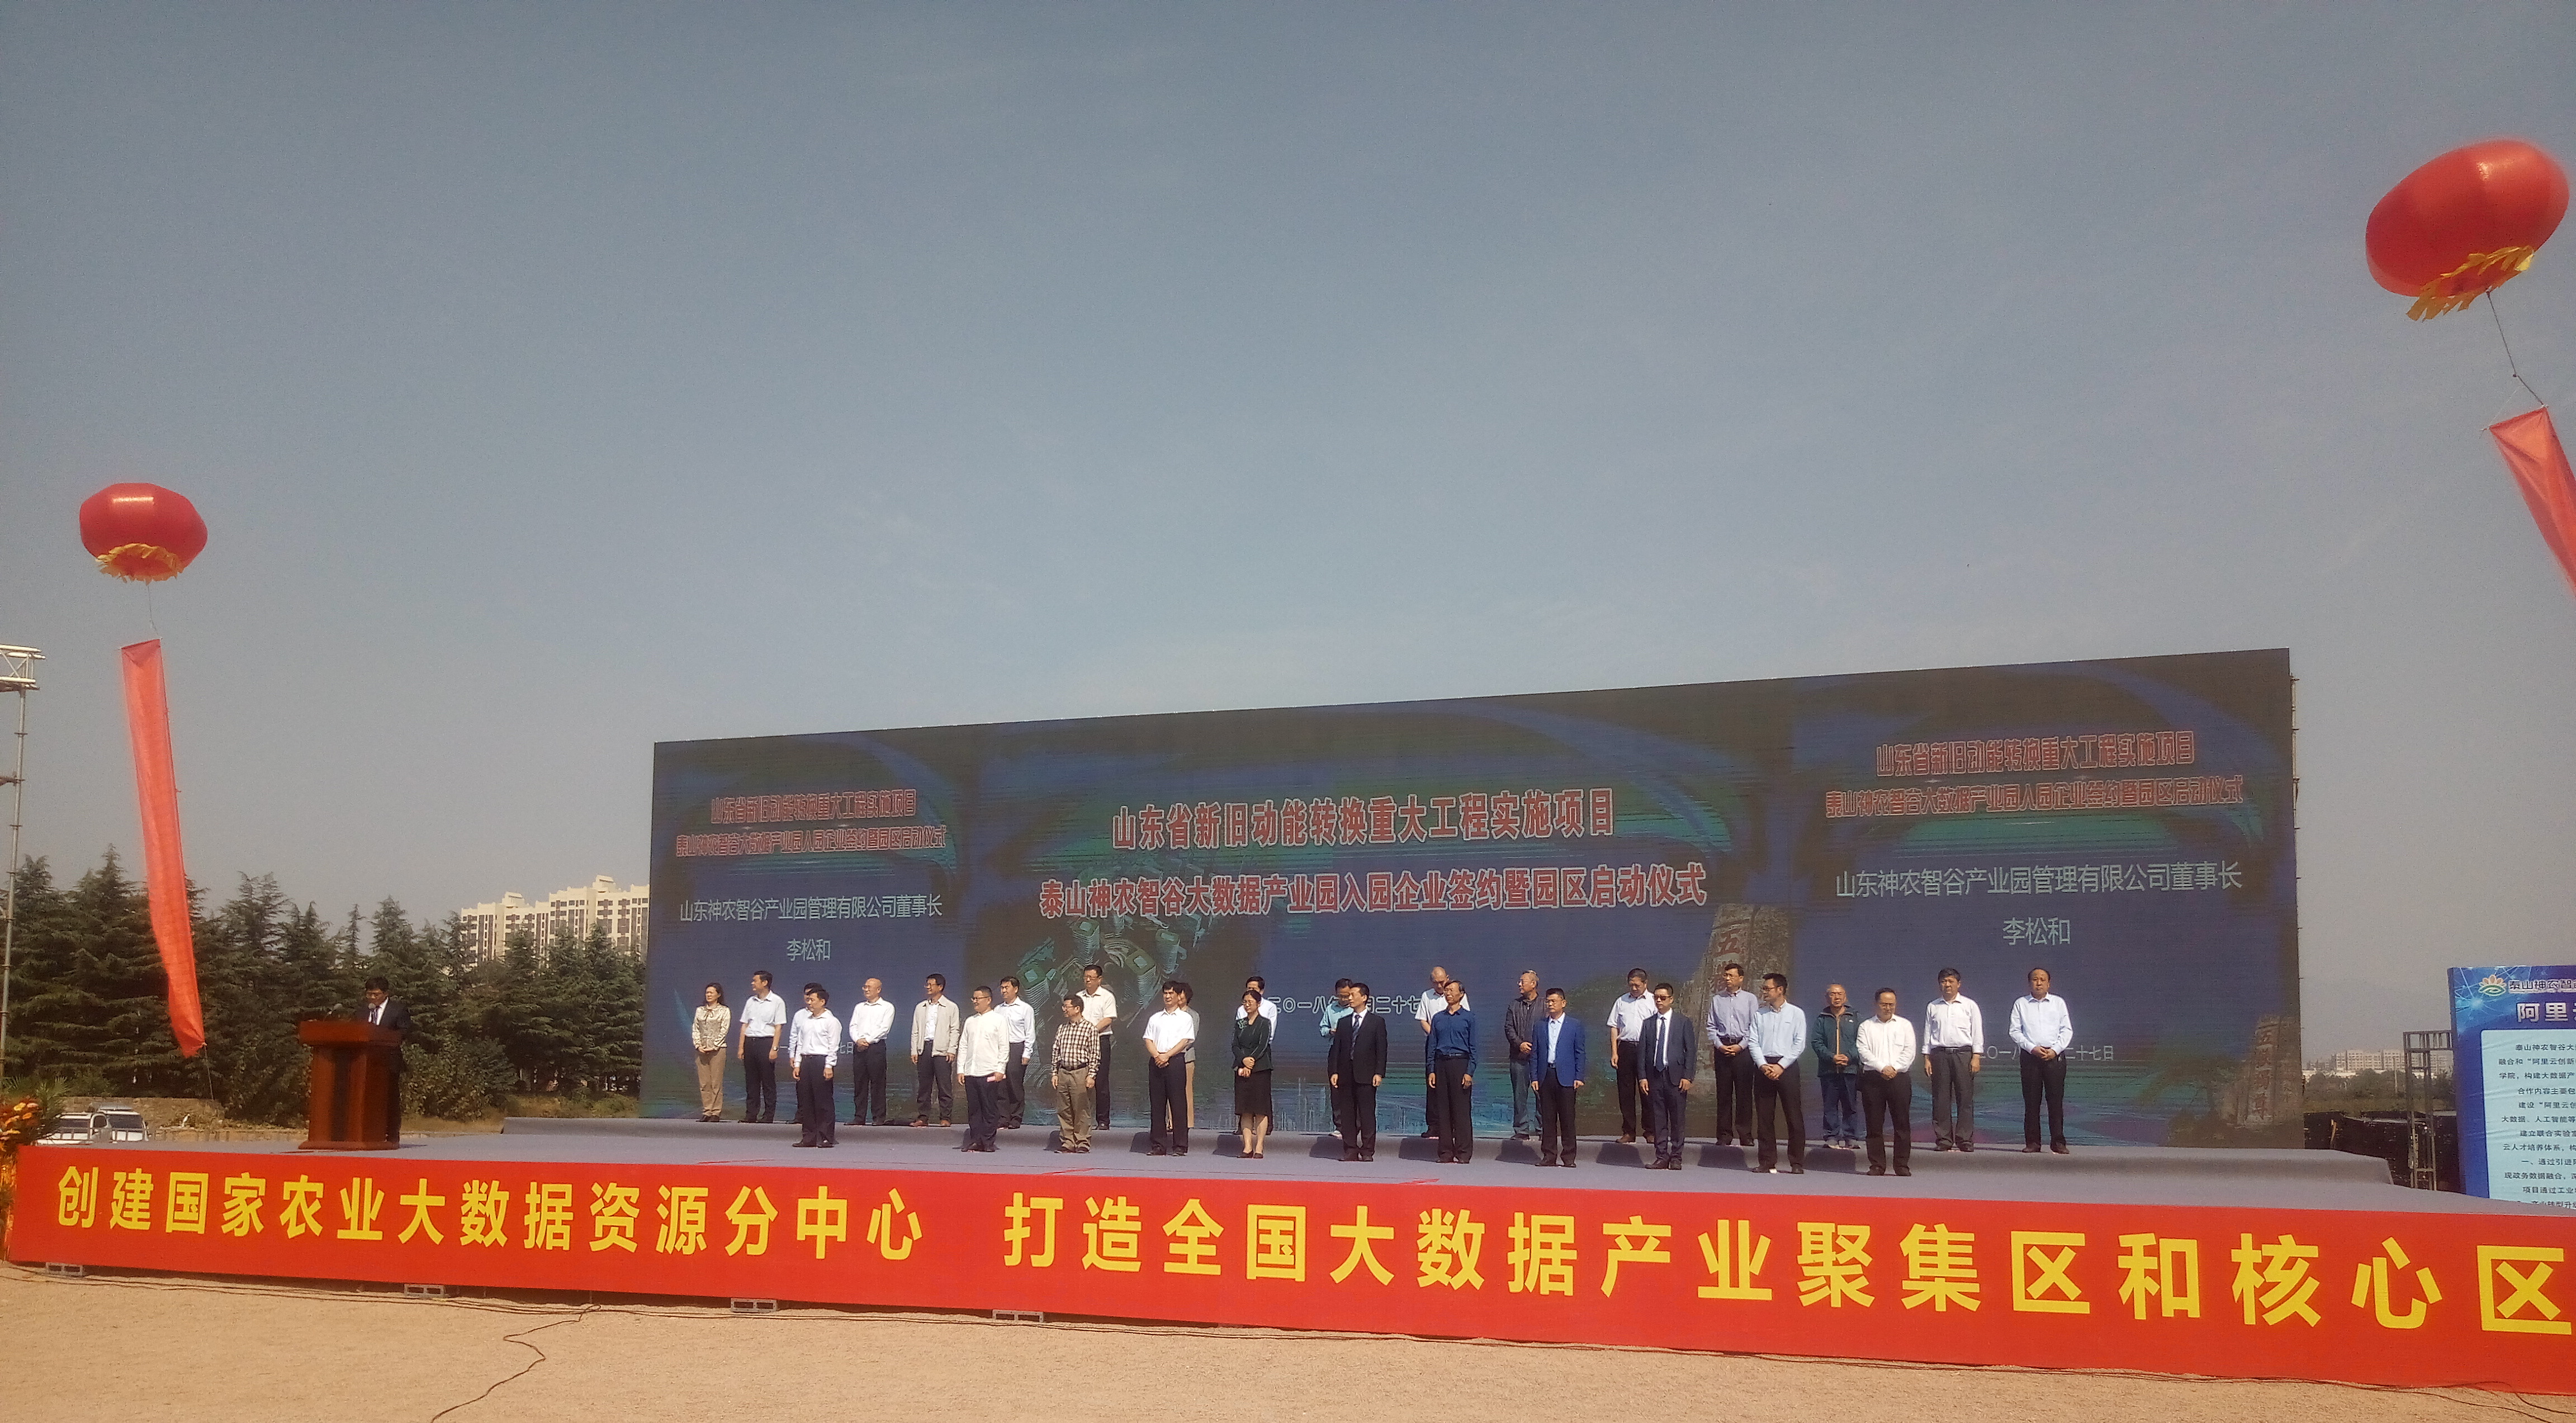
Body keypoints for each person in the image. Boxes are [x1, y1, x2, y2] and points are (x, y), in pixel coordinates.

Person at [1749, 973, 1809, 1174]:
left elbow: (1799, 1044)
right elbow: (1753, 1042)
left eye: (1768, 989)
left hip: (1787, 1067)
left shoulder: (1796, 1014)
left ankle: (1796, 1162)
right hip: (1764, 1067)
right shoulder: (1759, 1014)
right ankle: (1767, 1161)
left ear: (1780, 990)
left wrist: (1781, 1066)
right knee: (1765, 1117)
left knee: (1793, 1116)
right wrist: (1763, 1065)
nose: (1764, 992)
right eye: (1764, 989)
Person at [2011, 967, 2074, 1154]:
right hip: (2031, 1057)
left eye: (2042, 980)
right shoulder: (2021, 1004)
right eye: (2035, 979)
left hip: (2054, 1057)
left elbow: (2067, 1030)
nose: (2038, 983)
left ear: (2049, 984)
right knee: (2032, 1102)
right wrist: (2032, 1048)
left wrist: (2055, 1050)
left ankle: (2058, 1142)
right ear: (2029, 983)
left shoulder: (2058, 1003)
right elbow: (2015, 1031)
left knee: (2055, 1102)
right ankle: (2033, 1142)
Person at [1856, 987, 1918, 1177]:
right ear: (1876, 1004)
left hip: (1899, 1078)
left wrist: (1894, 1068)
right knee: (1874, 1124)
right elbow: (1864, 1052)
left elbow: (1909, 1051)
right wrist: (1882, 1067)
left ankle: (1901, 1165)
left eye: (1892, 1004)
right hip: (1873, 1079)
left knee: (1902, 1124)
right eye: (1884, 1004)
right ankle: (1877, 1165)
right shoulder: (1866, 1026)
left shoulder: (1905, 1025)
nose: (1888, 1008)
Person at [1922, 967, 1984, 1151]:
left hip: (1964, 1054)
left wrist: (1976, 1056)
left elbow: (1977, 1032)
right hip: (1939, 1054)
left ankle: (1965, 1140)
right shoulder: (1933, 1006)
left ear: (1959, 984)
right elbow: (1927, 1033)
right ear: (1939, 985)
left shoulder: (1969, 1005)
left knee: (1965, 1099)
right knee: (1941, 1099)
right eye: (1944, 982)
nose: (1947, 985)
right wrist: (1927, 1058)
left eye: (1951, 981)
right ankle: (1944, 1139)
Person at [1636, 982, 1696, 1170]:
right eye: (1656, 998)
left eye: (1663, 998)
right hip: (1655, 1076)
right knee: (1658, 1119)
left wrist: (1688, 1076)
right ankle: (1661, 1156)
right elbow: (1642, 1053)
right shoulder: (1648, 1023)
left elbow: (1691, 1051)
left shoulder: (1683, 1022)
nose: (1659, 1001)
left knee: (1677, 1119)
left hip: (1676, 1077)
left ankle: (1676, 1157)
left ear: (1672, 999)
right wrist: (1642, 1077)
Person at [1329, 980, 1388, 1161]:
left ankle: (1368, 1150)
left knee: (1367, 1114)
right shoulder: (1344, 1022)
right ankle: (1350, 1150)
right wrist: (1335, 1072)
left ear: (1364, 998)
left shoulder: (1376, 1022)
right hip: (1346, 1075)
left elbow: (1382, 1050)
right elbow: (1337, 1050)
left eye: (1353, 995)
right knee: (1347, 1114)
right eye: (1349, 995)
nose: (1350, 998)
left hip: (1367, 1075)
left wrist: (1379, 1072)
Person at [1531, 986, 1587, 1167]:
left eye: (1553, 1001)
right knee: (1548, 1119)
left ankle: (1569, 1157)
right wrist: (1534, 1077)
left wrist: (1579, 1076)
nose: (1550, 1004)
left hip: (1567, 1077)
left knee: (1568, 1119)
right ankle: (1549, 1156)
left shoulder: (1574, 1025)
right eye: (1548, 1001)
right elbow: (1535, 1054)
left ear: (1563, 1003)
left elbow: (1580, 1053)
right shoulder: (1540, 1025)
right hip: (1546, 1075)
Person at [1704, 962, 1758, 1147]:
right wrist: (1719, 1045)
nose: (1727, 979)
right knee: (1724, 1094)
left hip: (1743, 1050)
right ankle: (1724, 1134)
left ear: (1741, 979)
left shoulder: (1750, 999)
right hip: (1722, 1048)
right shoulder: (1717, 999)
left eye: (1731, 976)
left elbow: (1754, 1027)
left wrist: (1741, 1046)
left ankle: (1745, 1134)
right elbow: (1711, 1026)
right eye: (1725, 975)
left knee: (1744, 1094)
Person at [1428, 977, 1477, 1164]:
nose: (1448, 994)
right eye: (1447, 991)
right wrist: (1431, 1070)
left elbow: (1474, 1047)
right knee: (1444, 1110)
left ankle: (1463, 1153)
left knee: (1461, 1111)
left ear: (1461, 994)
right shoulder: (1438, 1018)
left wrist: (1469, 1072)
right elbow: (1432, 1046)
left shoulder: (1469, 1018)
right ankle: (1446, 1153)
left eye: (1452, 990)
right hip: (1441, 1064)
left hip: (1460, 1064)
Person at [955, 986, 1010, 1152]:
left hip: (989, 1071)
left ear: (988, 1000)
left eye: (978, 998)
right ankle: (975, 1140)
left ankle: (987, 1141)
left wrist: (1000, 1069)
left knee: (989, 1108)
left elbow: (1004, 1046)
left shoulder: (998, 1020)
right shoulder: (970, 1021)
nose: (975, 1001)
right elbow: (963, 1046)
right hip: (971, 1071)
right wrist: (960, 1069)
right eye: (973, 998)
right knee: (974, 1109)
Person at [1143, 981, 1195, 1156]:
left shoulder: (1185, 1018)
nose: (1167, 996)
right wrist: (1157, 1056)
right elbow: (1148, 1039)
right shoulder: (1155, 1018)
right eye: (1165, 993)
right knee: (1157, 1105)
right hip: (1156, 1062)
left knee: (1178, 1104)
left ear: (1178, 996)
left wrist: (1167, 1056)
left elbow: (1185, 1041)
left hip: (1175, 1062)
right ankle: (1158, 1145)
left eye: (1171, 993)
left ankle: (1180, 1145)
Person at [360, 976, 415, 1142]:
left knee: (390, 1098)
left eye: (376, 995)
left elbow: (404, 1032)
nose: (372, 998)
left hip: (389, 1061)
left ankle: (391, 1134)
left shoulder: (398, 1010)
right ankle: (366, 1132)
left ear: (386, 994)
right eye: (369, 994)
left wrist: (383, 1036)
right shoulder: (362, 1010)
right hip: (364, 1063)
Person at [1606, 968, 1657, 1144]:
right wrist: (1614, 1052)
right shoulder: (1621, 1001)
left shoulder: (1653, 1001)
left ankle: (1650, 1131)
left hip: (1647, 1048)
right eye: (1631, 985)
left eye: (1637, 985)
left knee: (1647, 1090)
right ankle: (1629, 1131)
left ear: (1645, 983)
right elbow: (1614, 1027)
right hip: (1626, 1048)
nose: (1634, 988)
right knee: (1626, 1092)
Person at [787, 984, 841, 1148]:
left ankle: (825, 1137)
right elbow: (800, 1043)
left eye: (812, 1000)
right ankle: (809, 1137)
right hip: (806, 1061)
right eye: (808, 1000)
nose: (809, 1003)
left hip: (821, 1061)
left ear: (822, 1002)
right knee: (807, 1101)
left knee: (823, 1101)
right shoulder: (806, 1021)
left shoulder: (831, 1021)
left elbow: (833, 1046)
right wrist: (798, 1064)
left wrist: (829, 1066)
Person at [1416, 966, 1467, 1139]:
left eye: (1442, 982)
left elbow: (1464, 1018)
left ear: (1448, 978)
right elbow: (1423, 1020)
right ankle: (1434, 1125)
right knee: (1433, 1086)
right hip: (1434, 1045)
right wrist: (1435, 1036)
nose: (1440, 986)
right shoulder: (1426, 996)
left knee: (1454, 1088)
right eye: (1436, 983)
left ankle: (1452, 1126)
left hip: (1454, 1047)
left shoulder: (1458, 994)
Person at [1812, 983, 1861, 1150]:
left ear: (1845, 997)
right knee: (1830, 1105)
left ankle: (1850, 1136)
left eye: (1840, 994)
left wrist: (1849, 1057)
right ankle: (1831, 1136)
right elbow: (1816, 1042)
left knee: (1850, 1105)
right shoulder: (1822, 1018)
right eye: (1833, 994)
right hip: (1829, 1070)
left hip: (1850, 1069)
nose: (1837, 997)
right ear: (1827, 998)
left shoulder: (1855, 1017)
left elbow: (1861, 1042)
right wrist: (1832, 1057)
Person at [910, 974, 961, 1127]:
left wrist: (952, 1050)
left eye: (931, 984)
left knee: (944, 1085)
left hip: (942, 1050)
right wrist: (914, 1050)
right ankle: (923, 1117)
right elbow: (915, 1030)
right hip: (924, 1047)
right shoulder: (921, 1007)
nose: (928, 987)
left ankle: (945, 1117)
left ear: (940, 987)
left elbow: (955, 1030)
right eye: (927, 984)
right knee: (924, 1086)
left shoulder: (951, 1007)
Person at [1051, 994, 1100, 1152]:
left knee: (1081, 1109)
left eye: (1067, 1007)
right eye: (1064, 1007)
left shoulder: (1090, 1028)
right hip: (1063, 1072)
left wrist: (1091, 1075)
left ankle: (1082, 1142)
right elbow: (1056, 1051)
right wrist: (1055, 1073)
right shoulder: (1062, 1028)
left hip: (1080, 1072)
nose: (1064, 1010)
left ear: (1077, 1009)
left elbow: (1095, 1054)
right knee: (1064, 1109)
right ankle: (1068, 1142)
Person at [737, 970, 787, 1124]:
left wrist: (774, 1048)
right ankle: (751, 1114)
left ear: (765, 983)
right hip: (750, 1042)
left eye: (755, 981)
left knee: (767, 1081)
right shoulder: (750, 1001)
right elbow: (745, 1025)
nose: (753, 983)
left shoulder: (777, 1001)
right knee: (751, 1081)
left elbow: (778, 1027)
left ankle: (769, 1115)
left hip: (766, 1042)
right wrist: (741, 1047)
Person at [845, 978, 894, 1126]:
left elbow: (884, 1028)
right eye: (865, 987)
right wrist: (858, 1040)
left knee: (877, 1083)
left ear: (878, 990)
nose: (866, 989)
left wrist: (868, 1040)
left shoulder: (887, 1007)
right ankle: (859, 1117)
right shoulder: (859, 1007)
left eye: (869, 987)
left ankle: (879, 1117)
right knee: (860, 1083)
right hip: (859, 1047)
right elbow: (853, 1026)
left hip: (876, 1048)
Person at [1233, 989, 1274, 1158]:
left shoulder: (1265, 1023)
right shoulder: (1240, 1023)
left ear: (1258, 1004)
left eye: (1250, 1002)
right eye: (1245, 1002)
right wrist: (1244, 1060)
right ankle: (1247, 1147)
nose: (1247, 1005)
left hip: (1260, 1070)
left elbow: (1263, 1045)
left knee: (1260, 1109)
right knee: (1245, 1109)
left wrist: (1251, 1061)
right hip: (1242, 1069)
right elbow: (1235, 1045)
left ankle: (1259, 1147)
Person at [1503, 970, 1541, 1142]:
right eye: (1519, 981)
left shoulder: (1544, 1005)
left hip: (1539, 1059)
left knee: (1542, 1095)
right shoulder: (1514, 1005)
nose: (1519, 984)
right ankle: (1521, 1129)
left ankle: (1542, 1128)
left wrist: (1535, 1047)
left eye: (1523, 981)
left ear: (1533, 984)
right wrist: (1520, 1044)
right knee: (1519, 1095)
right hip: (1518, 1057)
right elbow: (1509, 1028)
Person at [1078, 964, 1117, 1128]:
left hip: (1100, 1040)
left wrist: (1091, 1031)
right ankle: (1081, 1120)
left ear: (1100, 979)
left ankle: (1103, 1120)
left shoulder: (1107, 997)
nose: (1088, 980)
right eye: (1086, 977)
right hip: (1080, 1042)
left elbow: (1109, 1018)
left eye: (1091, 978)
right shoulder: (1078, 997)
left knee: (1100, 1081)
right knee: (1080, 1080)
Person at [995, 976, 1037, 1130]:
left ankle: (1016, 1117)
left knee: (1014, 1083)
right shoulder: (998, 1009)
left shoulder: (1025, 1008)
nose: (1004, 991)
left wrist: (1027, 1053)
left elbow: (1030, 1032)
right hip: (1000, 1048)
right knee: (1000, 1084)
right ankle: (1003, 1117)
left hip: (1017, 1047)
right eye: (1002, 988)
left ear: (1016, 989)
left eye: (1007, 987)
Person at [1319, 977, 1355, 1136]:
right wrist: (1330, 1031)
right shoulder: (1331, 1009)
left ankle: (1355, 1125)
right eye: (1340, 996)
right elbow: (1322, 1029)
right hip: (1336, 1051)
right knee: (1336, 1089)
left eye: (1347, 995)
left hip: (1354, 1050)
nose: (1344, 999)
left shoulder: (1356, 1008)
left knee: (1354, 1089)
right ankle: (1339, 1126)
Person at [690, 982, 731, 1121]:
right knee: (704, 1083)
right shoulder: (700, 1010)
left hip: (717, 1050)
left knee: (716, 1082)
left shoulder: (724, 1011)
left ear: (718, 995)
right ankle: (707, 1111)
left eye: (711, 993)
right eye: (707, 992)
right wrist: (698, 1045)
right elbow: (696, 1029)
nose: (708, 995)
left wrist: (714, 1046)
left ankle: (716, 1112)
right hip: (701, 1050)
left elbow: (724, 1029)